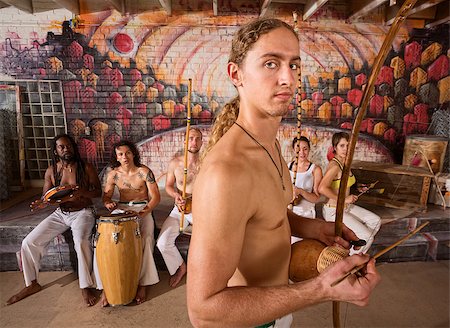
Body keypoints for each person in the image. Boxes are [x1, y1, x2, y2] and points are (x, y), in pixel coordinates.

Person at [186, 18, 381, 327]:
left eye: (294, 65)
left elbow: (264, 215)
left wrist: (314, 228)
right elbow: (204, 311)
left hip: (275, 308)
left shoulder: (270, 145)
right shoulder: (227, 173)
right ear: (236, 74)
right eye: (271, 64)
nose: (288, 78)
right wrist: (319, 290)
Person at [7, 134, 101, 306]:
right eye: (61, 147)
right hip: (61, 213)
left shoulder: (85, 167)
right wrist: (42, 204)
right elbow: (46, 197)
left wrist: (82, 193)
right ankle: (32, 284)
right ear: (56, 151)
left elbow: (97, 192)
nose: (66, 149)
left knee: (80, 242)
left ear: (74, 147)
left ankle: (85, 286)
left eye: (69, 146)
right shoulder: (51, 171)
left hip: (83, 212)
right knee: (29, 241)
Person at [96, 140, 160, 306]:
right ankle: (106, 287)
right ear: (116, 157)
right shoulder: (113, 175)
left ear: (133, 154)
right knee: (103, 242)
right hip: (122, 209)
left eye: (128, 153)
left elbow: (156, 197)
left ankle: (143, 284)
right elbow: (106, 197)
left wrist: (142, 213)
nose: (125, 157)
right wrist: (108, 203)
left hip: (143, 209)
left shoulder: (144, 171)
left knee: (146, 239)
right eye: (120, 154)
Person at [318, 131, 381, 255]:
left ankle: (353, 249)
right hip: (334, 210)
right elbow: (322, 188)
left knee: (375, 221)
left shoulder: (345, 163)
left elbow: (342, 184)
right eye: (342, 146)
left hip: (345, 207)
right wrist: (344, 200)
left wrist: (358, 187)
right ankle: (349, 261)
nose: (345, 149)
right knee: (367, 236)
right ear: (335, 148)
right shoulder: (335, 166)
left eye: (348, 145)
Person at [156, 127, 203, 288]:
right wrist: (176, 196)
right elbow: (169, 186)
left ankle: (205, 274)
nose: (194, 142)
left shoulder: (206, 163)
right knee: (162, 243)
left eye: (197, 138)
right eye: (191, 138)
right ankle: (180, 267)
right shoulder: (175, 163)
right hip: (180, 208)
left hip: (200, 209)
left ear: (202, 142)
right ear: (185, 141)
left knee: (208, 242)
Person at [288, 136, 323, 243]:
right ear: (294, 149)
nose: (302, 152)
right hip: (289, 212)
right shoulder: (288, 166)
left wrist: (301, 191)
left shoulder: (315, 169)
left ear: (309, 150)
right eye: (298, 148)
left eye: (305, 149)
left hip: (305, 214)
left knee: (299, 248)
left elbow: (316, 198)